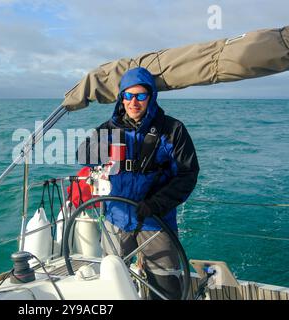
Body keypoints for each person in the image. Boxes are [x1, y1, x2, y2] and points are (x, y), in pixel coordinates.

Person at [77, 67, 199, 299]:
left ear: (151, 97)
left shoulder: (172, 130)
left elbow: (188, 174)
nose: (134, 102)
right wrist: (104, 151)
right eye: (128, 96)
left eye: (141, 96)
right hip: (116, 217)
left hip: (156, 220)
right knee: (112, 282)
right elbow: (81, 155)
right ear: (121, 98)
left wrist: (157, 204)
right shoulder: (108, 129)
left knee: (165, 288)